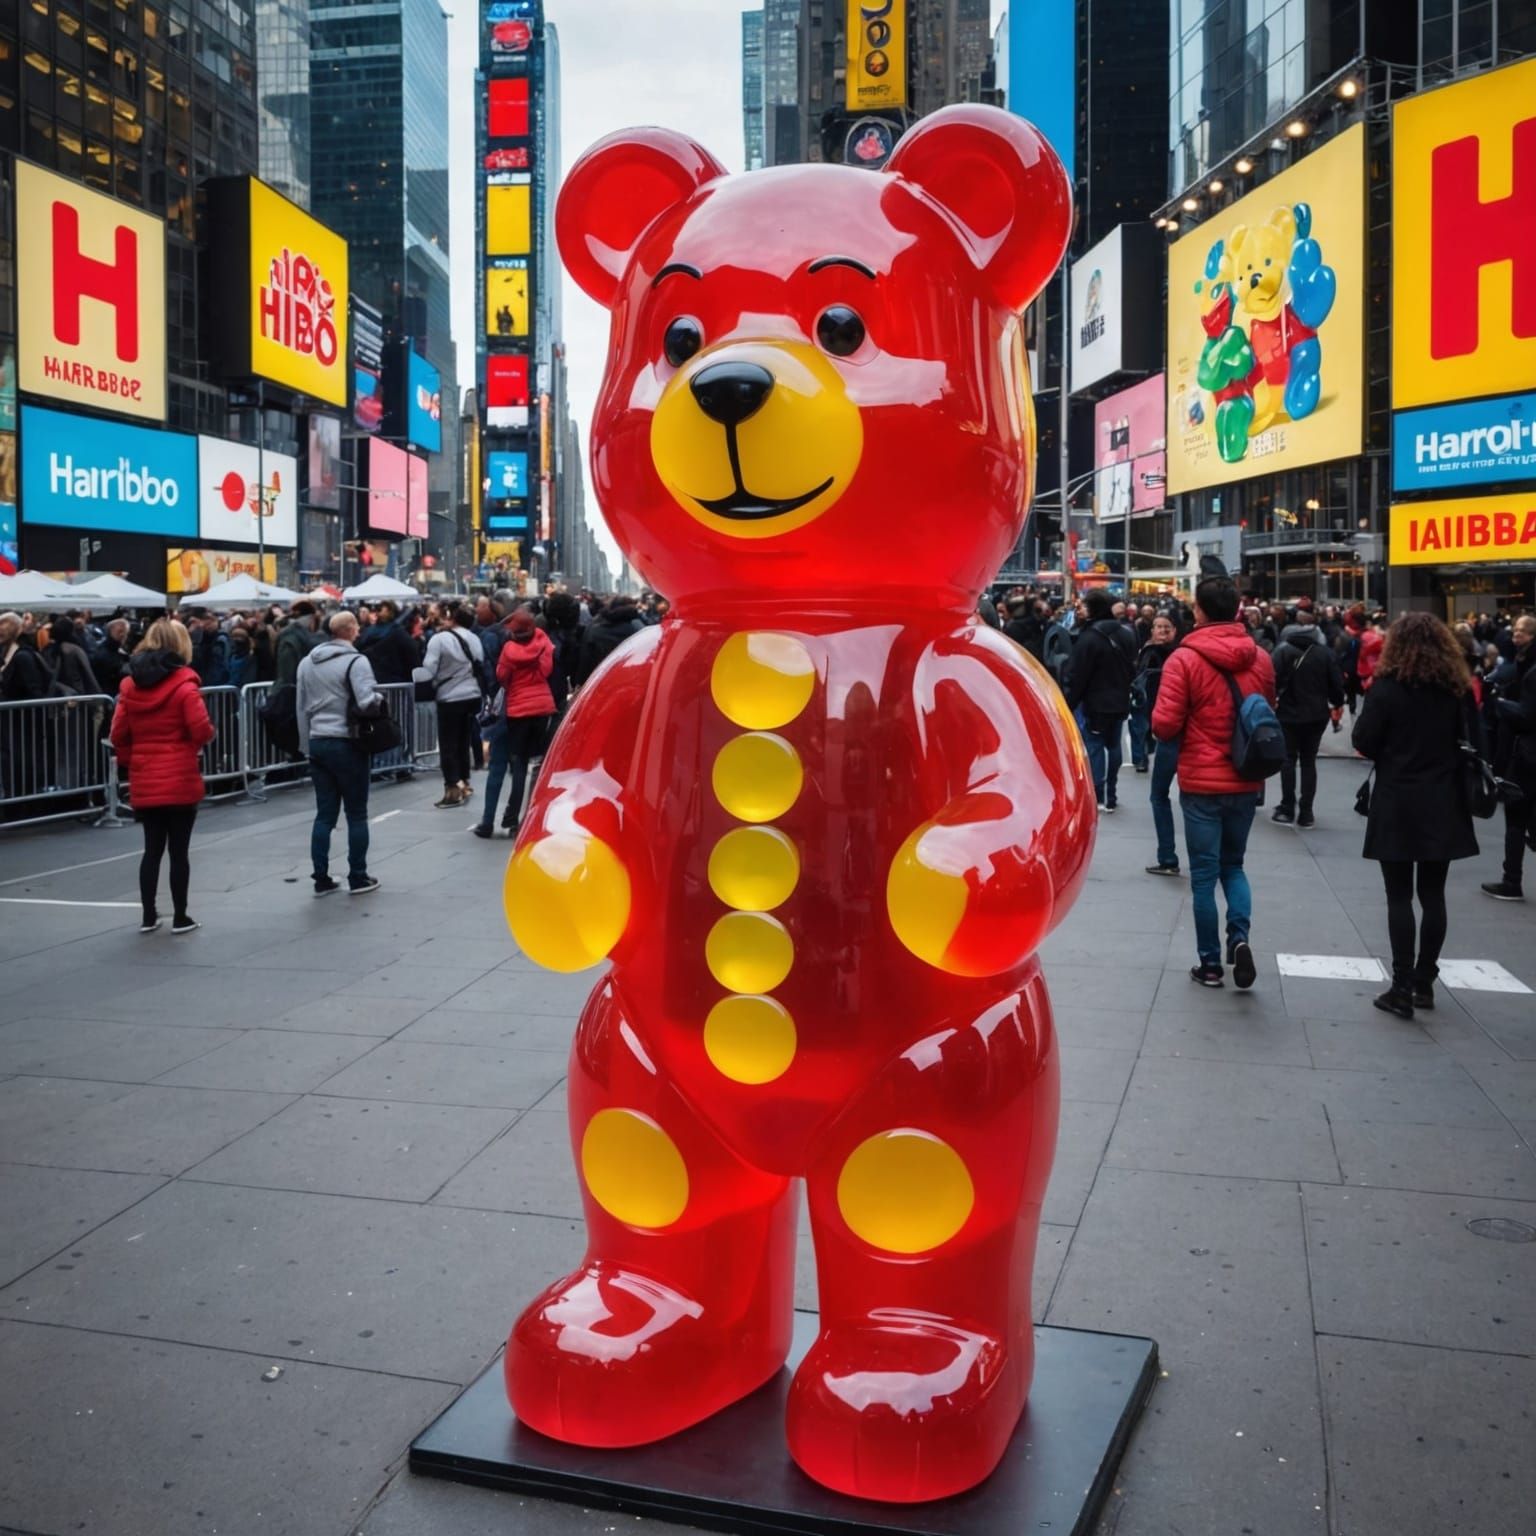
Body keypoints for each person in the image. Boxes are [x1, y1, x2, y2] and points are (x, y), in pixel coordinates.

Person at [1151, 575, 1276, 989]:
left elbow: (1164, 726)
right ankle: (1238, 937)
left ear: (1198, 612)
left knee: (1203, 877)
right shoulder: (1260, 658)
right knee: (1234, 866)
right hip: (1245, 779)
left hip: (1201, 784)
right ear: (1237, 609)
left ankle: (1208, 965)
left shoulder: (1183, 660)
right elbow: (1266, 712)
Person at [1352, 613, 1480, 1017]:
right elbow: (1476, 741)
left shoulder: (1389, 688)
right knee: (1433, 894)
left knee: (1398, 895)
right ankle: (1425, 980)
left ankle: (1401, 985)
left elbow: (1364, 741)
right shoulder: (1455, 688)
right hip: (1444, 798)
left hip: (1397, 798)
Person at [109, 618, 215, 935]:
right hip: (180, 774)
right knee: (179, 851)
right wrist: (206, 736)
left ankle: (148, 915)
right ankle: (180, 915)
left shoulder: (129, 686)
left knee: (151, 849)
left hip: (145, 775)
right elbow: (200, 728)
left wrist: (134, 761)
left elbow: (118, 733)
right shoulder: (185, 683)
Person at [296, 611, 381, 895]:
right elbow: (367, 702)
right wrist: (380, 698)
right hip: (347, 741)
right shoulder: (357, 661)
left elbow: (301, 706)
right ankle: (358, 875)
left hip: (318, 740)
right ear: (349, 630)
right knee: (356, 813)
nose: (358, 632)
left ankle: (321, 877)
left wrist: (306, 744)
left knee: (324, 815)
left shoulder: (307, 662)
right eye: (356, 627)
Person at [476, 605, 556, 838]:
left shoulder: (508, 650)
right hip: (542, 708)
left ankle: (495, 820)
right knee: (535, 764)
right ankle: (520, 819)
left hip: (516, 710)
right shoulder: (544, 644)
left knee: (514, 764)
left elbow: (501, 676)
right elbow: (547, 671)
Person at [1064, 587, 1137, 813]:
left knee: (1094, 746)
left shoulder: (1089, 638)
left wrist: (1068, 703)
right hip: (1120, 699)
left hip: (1095, 702)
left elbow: (1077, 675)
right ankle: (1111, 793)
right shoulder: (1126, 633)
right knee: (1114, 745)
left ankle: (1097, 794)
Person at [1270, 612, 1344, 827]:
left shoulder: (1282, 652)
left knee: (1288, 760)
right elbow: (1336, 687)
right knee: (1309, 761)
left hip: (1288, 715)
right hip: (1316, 715)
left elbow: (1271, 681)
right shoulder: (1324, 654)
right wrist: (1336, 704)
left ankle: (1286, 807)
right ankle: (1306, 811)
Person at [1482, 613, 1536, 901]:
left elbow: (1528, 715)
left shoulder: (1529, 670)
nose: (1515, 636)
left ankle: (1511, 880)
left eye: (1520, 631)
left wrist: (1500, 704)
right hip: (1524, 751)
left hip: (1527, 754)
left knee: (1516, 815)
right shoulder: (1522, 663)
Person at [415, 600, 485, 808]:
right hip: (472, 693)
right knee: (464, 740)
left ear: (450, 617)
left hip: (449, 696)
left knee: (448, 743)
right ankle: (465, 781)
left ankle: (452, 788)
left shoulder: (439, 640)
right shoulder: (474, 638)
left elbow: (429, 668)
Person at [1138, 612, 1182, 875]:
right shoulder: (1182, 655)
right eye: (1157, 626)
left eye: (1166, 627)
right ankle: (1169, 856)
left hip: (1167, 732)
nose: (1162, 631)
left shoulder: (1158, 656)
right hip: (1173, 731)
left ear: (1175, 630)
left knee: (1160, 795)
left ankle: (1168, 857)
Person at [576, 593, 644, 685]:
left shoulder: (594, 628)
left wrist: (581, 683)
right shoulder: (638, 629)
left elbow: (586, 659)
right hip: (630, 681)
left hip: (599, 681)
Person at [356, 599, 421, 685]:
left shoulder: (396, 631)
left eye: (380, 609)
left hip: (382, 678)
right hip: (389, 679)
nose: (377, 612)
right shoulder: (397, 631)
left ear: (390, 612)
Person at [45, 615, 104, 695]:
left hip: (57, 694)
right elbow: (88, 675)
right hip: (77, 694)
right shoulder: (74, 649)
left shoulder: (48, 650)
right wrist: (98, 695)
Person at [274, 601, 323, 686]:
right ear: (311, 618)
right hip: (293, 687)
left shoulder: (287, 634)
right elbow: (287, 671)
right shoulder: (295, 636)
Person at [91, 618, 133, 697]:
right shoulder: (102, 653)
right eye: (120, 631)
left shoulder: (120, 651)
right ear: (110, 631)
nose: (123, 635)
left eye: (126, 632)